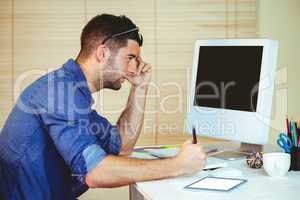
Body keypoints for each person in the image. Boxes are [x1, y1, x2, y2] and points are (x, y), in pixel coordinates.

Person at [0, 14, 206, 200]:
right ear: (103, 53)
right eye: (131, 58)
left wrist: (140, 88)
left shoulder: (75, 94)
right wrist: (178, 165)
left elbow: (122, 146)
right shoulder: (59, 93)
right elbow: (95, 173)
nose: (135, 67)